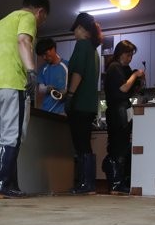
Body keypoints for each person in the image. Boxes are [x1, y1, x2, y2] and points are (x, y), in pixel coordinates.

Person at [0, 0, 51, 199]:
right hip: (12, 84)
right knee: (13, 136)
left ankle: (10, 185)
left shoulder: (1, 23)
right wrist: (32, 72)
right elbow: (23, 41)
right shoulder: (27, 18)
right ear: (39, 11)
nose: (39, 24)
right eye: (43, 19)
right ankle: (1, 185)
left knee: (3, 137)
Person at [62, 12, 101, 195]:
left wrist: (69, 95)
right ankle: (89, 184)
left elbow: (78, 73)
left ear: (82, 29)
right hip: (90, 105)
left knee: (80, 144)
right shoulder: (94, 51)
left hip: (79, 104)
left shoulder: (81, 45)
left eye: (76, 29)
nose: (74, 33)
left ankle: (86, 184)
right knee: (85, 143)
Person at [103, 40, 143, 194]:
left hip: (122, 110)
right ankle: (116, 183)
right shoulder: (115, 67)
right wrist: (135, 75)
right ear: (120, 53)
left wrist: (137, 79)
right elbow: (124, 87)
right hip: (117, 111)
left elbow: (130, 89)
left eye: (131, 55)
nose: (130, 58)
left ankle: (118, 182)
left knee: (121, 146)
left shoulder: (122, 69)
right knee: (118, 146)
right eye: (128, 55)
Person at [35, 37, 68, 115]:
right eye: (42, 55)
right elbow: (40, 88)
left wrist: (65, 92)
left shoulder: (66, 66)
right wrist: (48, 88)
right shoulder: (43, 69)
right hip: (46, 110)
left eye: (45, 54)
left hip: (62, 112)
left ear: (53, 49)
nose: (44, 58)